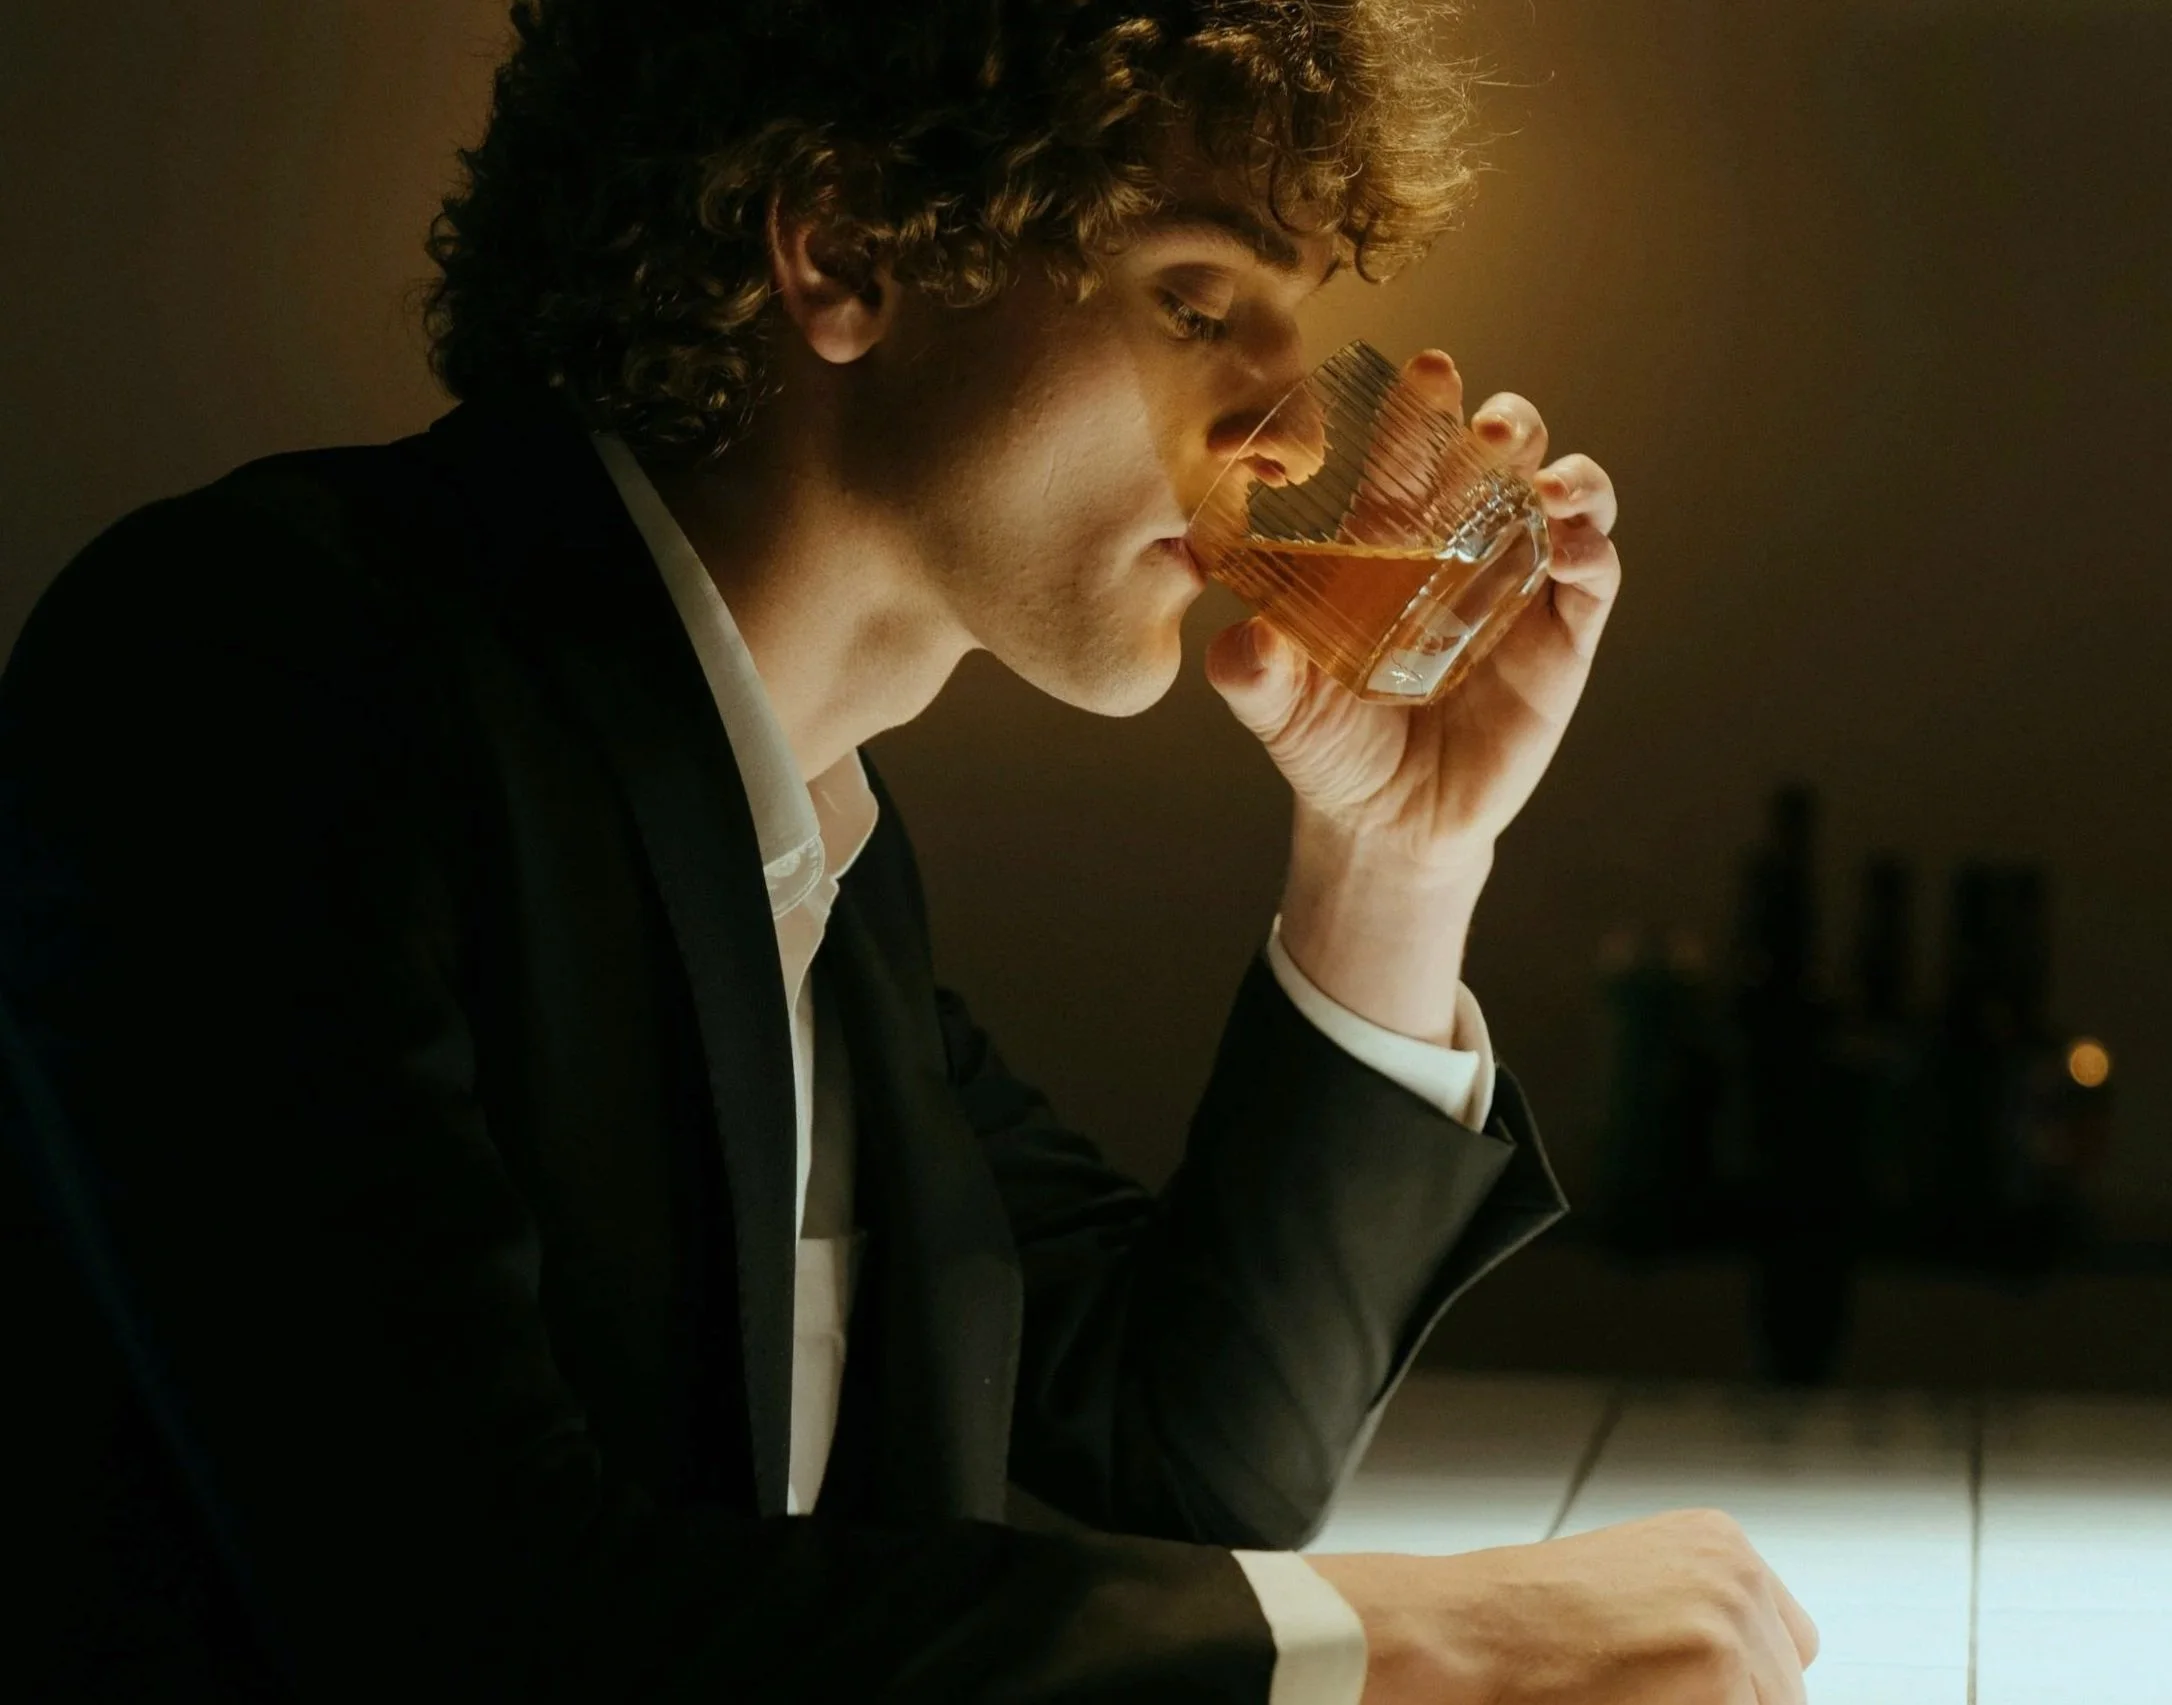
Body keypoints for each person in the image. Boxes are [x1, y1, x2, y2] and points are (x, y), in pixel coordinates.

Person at [0, 2, 1818, 1700]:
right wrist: (1435, 1642)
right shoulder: (263, 670)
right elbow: (462, 1619)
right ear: (848, 250)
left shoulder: (816, 864)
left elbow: (1183, 1462)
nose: (1286, 435)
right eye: (1199, 303)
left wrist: (1397, 853)